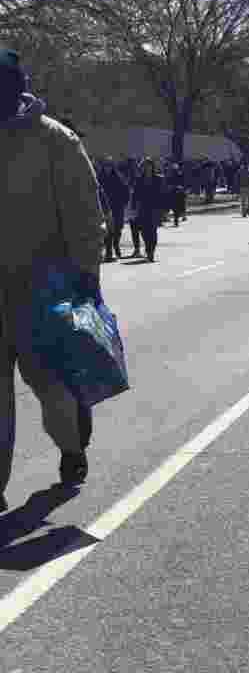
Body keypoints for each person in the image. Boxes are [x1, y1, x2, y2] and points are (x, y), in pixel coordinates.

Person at [1, 49, 106, 508]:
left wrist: (86, 276)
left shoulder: (55, 140)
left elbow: (85, 216)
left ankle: (71, 448)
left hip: (42, 286)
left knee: (50, 383)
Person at [132, 157, 166, 261]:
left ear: (152, 166)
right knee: (144, 231)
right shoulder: (139, 179)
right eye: (145, 166)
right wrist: (133, 207)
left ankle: (151, 251)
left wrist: (164, 209)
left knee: (153, 231)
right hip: (143, 208)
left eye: (149, 165)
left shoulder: (159, 178)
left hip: (155, 208)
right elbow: (135, 194)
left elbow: (163, 194)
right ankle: (148, 249)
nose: (147, 168)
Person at [98, 157, 130, 261]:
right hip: (104, 208)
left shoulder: (119, 177)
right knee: (107, 230)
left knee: (117, 229)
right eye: (106, 165)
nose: (107, 168)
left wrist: (124, 203)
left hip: (117, 207)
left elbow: (126, 191)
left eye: (109, 165)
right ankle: (108, 252)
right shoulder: (99, 177)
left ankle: (115, 246)